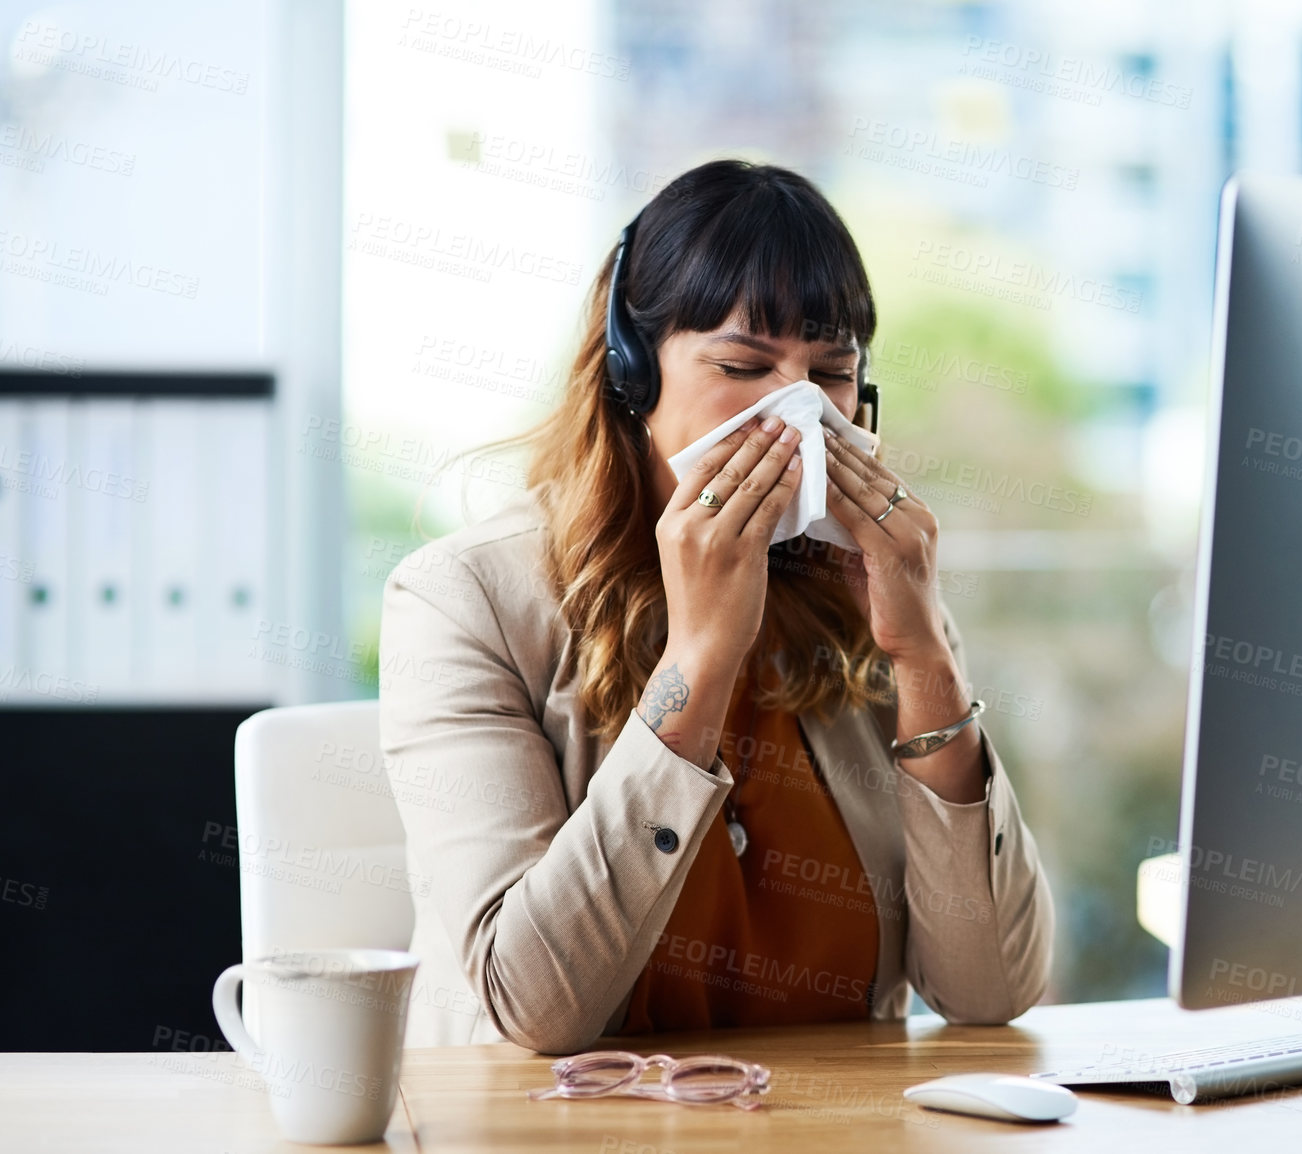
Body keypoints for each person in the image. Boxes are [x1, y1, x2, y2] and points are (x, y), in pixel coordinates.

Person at [378, 158, 1054, 1052]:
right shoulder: (465, 601)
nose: (797, 414)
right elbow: (535, 1006)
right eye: (744, 365)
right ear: (631, 377)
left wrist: (923, 653)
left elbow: (991, 989)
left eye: (832, 375)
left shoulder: (868, 595)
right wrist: (699, 655)